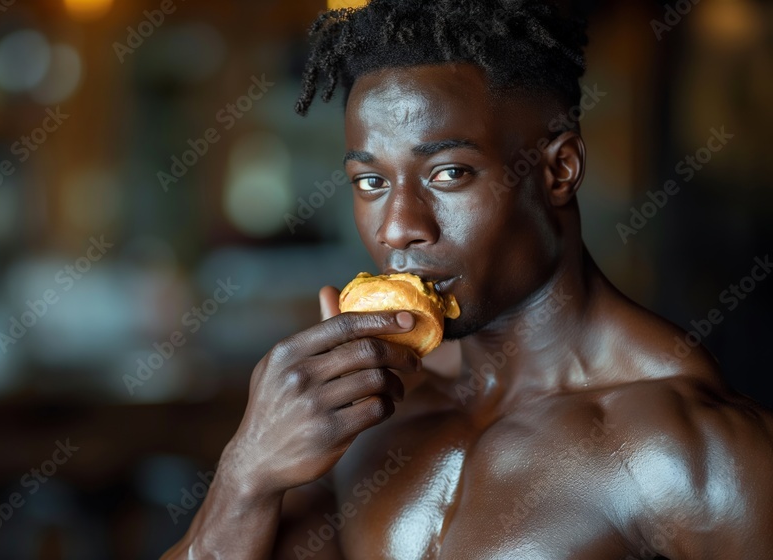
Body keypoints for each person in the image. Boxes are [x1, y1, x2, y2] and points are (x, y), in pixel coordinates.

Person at [163, 0, 773, 557]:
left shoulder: (693, 446)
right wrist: (246, 474)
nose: (400, 228)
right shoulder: (356, 411)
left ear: (558, 169)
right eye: (371, 182)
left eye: (449, 173)